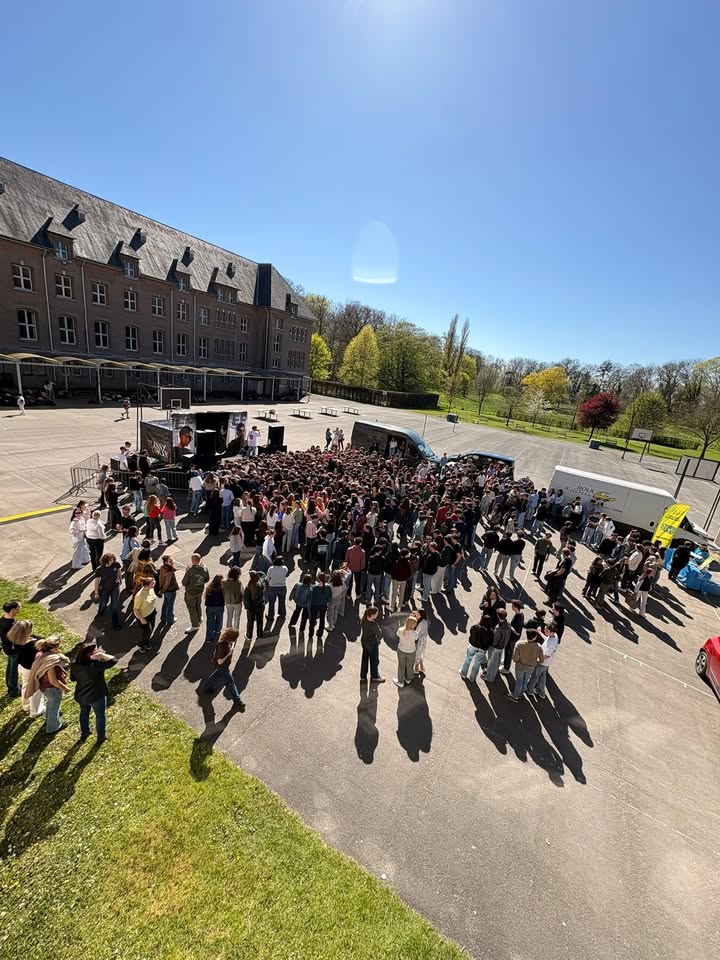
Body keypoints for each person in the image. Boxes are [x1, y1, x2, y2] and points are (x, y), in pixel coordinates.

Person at [70, 641, 116, 742]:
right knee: (100, 716)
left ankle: (84, 732)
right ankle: (100, 736)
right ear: (89, 655)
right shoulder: (96, 666)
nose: (97, 652)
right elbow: (113, 660)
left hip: (81, 695)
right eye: (95, 651)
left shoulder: (75, 665)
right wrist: (102, 655)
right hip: (97, 696)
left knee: (84, 713)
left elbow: (73, 679)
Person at [25, 636, 71, 733]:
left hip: (44, 687)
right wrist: (65, 688)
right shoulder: (50, 662)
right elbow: (53, 680)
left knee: (51, 704)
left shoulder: (40, 654)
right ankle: (53, 727)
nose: (59, 648)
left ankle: (49, 720)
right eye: (58, 646)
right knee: (54, 707)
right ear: (53, 648)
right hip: (52, 689)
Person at [8, 620, 46, 716]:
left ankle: (26, 705)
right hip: (32, 669)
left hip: (22, 667)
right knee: (35, 689)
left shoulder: (16, 640)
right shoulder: (33, 644)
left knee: (25, 686)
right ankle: (36, 710)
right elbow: (43, 641)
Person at [201, 627, 244, 707]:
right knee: (230, 683)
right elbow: (220, 661)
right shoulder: (222, 645)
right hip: (222, 667)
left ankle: (206, 687)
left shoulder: (228, 641)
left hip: (223, 666)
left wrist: (232, 646)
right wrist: (229, 654)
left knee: (216, 676)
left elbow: (232, 644)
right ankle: (237, 700)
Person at [508, 628, 544, 701]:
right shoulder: (539, 646)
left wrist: (519, 661)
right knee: (525, 681)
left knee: (519, 681)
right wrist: (534, 661)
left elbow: (514, 658)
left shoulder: (519, 644)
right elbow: (541, 660)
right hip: (530, 668)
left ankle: (515, 696)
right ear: (535, 637)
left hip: (520, 666)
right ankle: (521, 693)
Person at [527, 623, 559, 699]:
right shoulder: (554, 636)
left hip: (543, 662)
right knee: (542, 676)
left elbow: (547, 655)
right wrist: (540, 632)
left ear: (551, 632)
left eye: (546, 630)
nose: (545, 631)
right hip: (546, 663)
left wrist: (537, 660)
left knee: (535, 676)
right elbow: (547, 639)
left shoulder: (551, 644)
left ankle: (529, 690)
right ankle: (541, 691)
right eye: (545, 629)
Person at [459, 615, 494, 683]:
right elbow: (491, 642)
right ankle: (472, 678)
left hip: (473, 646)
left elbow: (471, 632)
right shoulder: (491, 632)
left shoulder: (476, 627)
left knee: (468, 658)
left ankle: (464, 673)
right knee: (477, 663)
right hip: (482, 649)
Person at [93, 552, 122, 629]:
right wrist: (96, 592)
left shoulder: (116, 565)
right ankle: (101, 610)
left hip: (115, 588)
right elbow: (97, 581)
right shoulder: (99, 569)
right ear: (106, 560)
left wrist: (120, 579)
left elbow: (118, 572)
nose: (113, 561)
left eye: (113, 559)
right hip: (104, 589)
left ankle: (115, 623)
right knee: (103, 603)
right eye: (111, 560)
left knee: (115, 606)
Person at [182, 553, 210, 632]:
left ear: (193, 561)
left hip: (191, 593)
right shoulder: (205, 568)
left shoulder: (190, 571)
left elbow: (184, 582)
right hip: (200, 591)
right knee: (198, 605)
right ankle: (199, 618)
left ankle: (194, 625)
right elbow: (207, 579)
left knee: (192, 608)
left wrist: (187, 572)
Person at [484, 608, 512, 682]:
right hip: (503, 646)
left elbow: (495, 640)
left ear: (498, 616)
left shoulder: (498, 628)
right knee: (498, 661)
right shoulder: (508, 624)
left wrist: (492, 645)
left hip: (496, 647)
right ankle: (496, 672)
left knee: (492, 663)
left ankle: (490, 678)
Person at [1, 598, 21, 696]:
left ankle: (10, 686)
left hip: (7, 648)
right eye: (18, 607)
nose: (20, 609)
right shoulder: (11, 624)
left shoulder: (2, 619)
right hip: (13, 650)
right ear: (13, 610)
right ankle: (14, 690)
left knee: (10, 668)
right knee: (13, 670)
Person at [360, 606, 385, 682]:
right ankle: (375, 676)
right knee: (374, 660)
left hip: (364, 642)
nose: (377, 615)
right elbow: (379, 634)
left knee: (365, 659)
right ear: (373, 615)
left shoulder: (364, 620)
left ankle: (363, 676)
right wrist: (378, 640)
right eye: (376, 614)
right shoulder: (373, 624)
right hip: (372, 644)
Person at [133, 577, 158, 652]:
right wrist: (141, 619)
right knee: (147, 632)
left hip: (151, 613)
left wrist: (154, 609)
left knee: (151, 629)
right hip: (143, 616)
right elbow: (136, 609)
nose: (154, 584)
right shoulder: (139, 596)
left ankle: (146, 642)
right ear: (146, 585)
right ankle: (141, 645)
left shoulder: (151, 589)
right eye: (152, 583)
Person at [394, 615, 418, 687]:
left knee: (401, 665)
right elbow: (416, 639)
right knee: (409, 665)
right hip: (411, 652)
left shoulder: (400, 630)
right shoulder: (414, 633)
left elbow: (397, 634)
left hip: (401, 650)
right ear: (412, 625)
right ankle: (408, 679)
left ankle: (400, 681)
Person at [502, 600, 525, 674]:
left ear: (516, 607)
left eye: (512, 606)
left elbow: (517, 632)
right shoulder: (520, 614)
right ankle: (505, 662)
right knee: (508, 651)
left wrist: (509, 626)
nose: (511, 607)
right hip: (514, 637)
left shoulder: (518, 617)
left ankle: (506, 668)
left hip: (513, 637)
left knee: (509, 652)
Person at [244, 570, 266, 640]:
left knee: (250, 622)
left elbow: (246, 599)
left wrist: (247, 607)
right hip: (260, 605)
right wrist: (258, 572)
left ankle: (249, 636)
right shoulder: (260, 584)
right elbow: (264, 576)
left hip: (251, 607)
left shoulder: (248, 587)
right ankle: (260, 635)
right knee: (260, 621)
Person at [308, 573, 332, 639]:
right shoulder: (328, 587)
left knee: (313, 619)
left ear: (318, 579)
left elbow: (311, 597)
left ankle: (310, 634)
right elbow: (330, 596)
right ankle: (320, 634)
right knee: (322, 619)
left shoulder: (314, 588)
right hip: (323, 605)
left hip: (314, 606)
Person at [204, 574, 226, 645]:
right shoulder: (222, 588)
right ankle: (217, 630)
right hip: (219, 607)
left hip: (210, 607)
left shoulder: (209, 587)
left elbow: (206, 597)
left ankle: (208, 638)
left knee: (210, 623)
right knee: (219, 619)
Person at [158, 555, 180, 626]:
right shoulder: (169, 572)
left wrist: (161, 588)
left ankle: (163, 619)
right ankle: (170, 620)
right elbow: (167, 584)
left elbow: (160, 578)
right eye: (170, 561)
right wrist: (162, 591)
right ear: (166, 562)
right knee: (170, 606)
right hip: (170, 591)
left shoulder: (162, 567)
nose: (172, 562)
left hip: (165, 590)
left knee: (165, 604)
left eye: (172, 560)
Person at [266, 555, 289, 622]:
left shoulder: (271, 568)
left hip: (272, 587)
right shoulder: (285, 568)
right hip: (282, 587)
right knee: (282, 602)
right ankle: (282, 614)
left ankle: (270, 616)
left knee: (271, 602)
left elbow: (267, 578)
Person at [413, 608, 429, 678]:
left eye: (418, 614)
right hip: (422, 640)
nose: (416, 614)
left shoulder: (422, 623)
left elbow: (417, 634)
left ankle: (416, 669)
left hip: (420, 641)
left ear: (421, 615)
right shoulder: (423, 621)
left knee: (418, 654)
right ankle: (422, 667)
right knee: (420, 653)